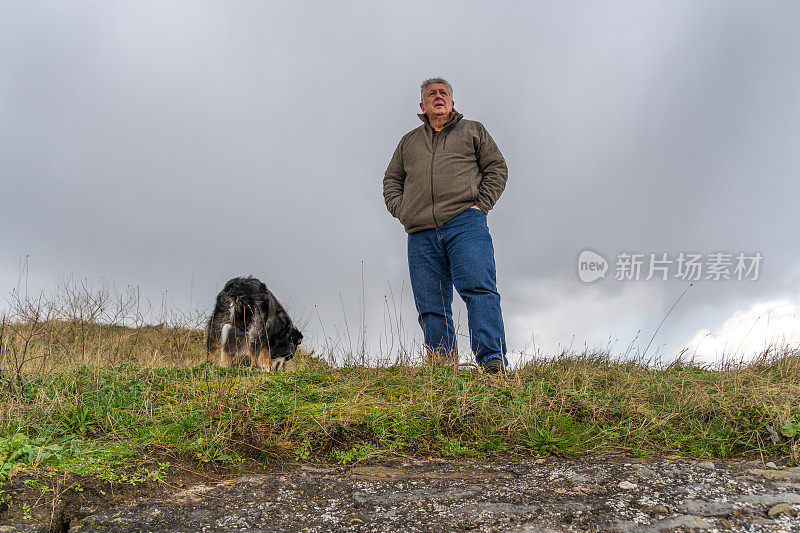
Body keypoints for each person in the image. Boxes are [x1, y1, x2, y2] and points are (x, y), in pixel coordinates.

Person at [383, 77, 509, 373]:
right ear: (422, 106)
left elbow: (496, 168)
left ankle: (491, 360)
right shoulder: (408, 142)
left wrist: (481, 205)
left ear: (452, 102)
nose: (438, 97)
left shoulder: (473, 130)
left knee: (479, 289)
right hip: (420, 232)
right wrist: (404, 211)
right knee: (430, 304)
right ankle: (442, 367)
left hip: (465, 223)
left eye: (443, 93)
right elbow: (391, 180)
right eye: (431, 94)